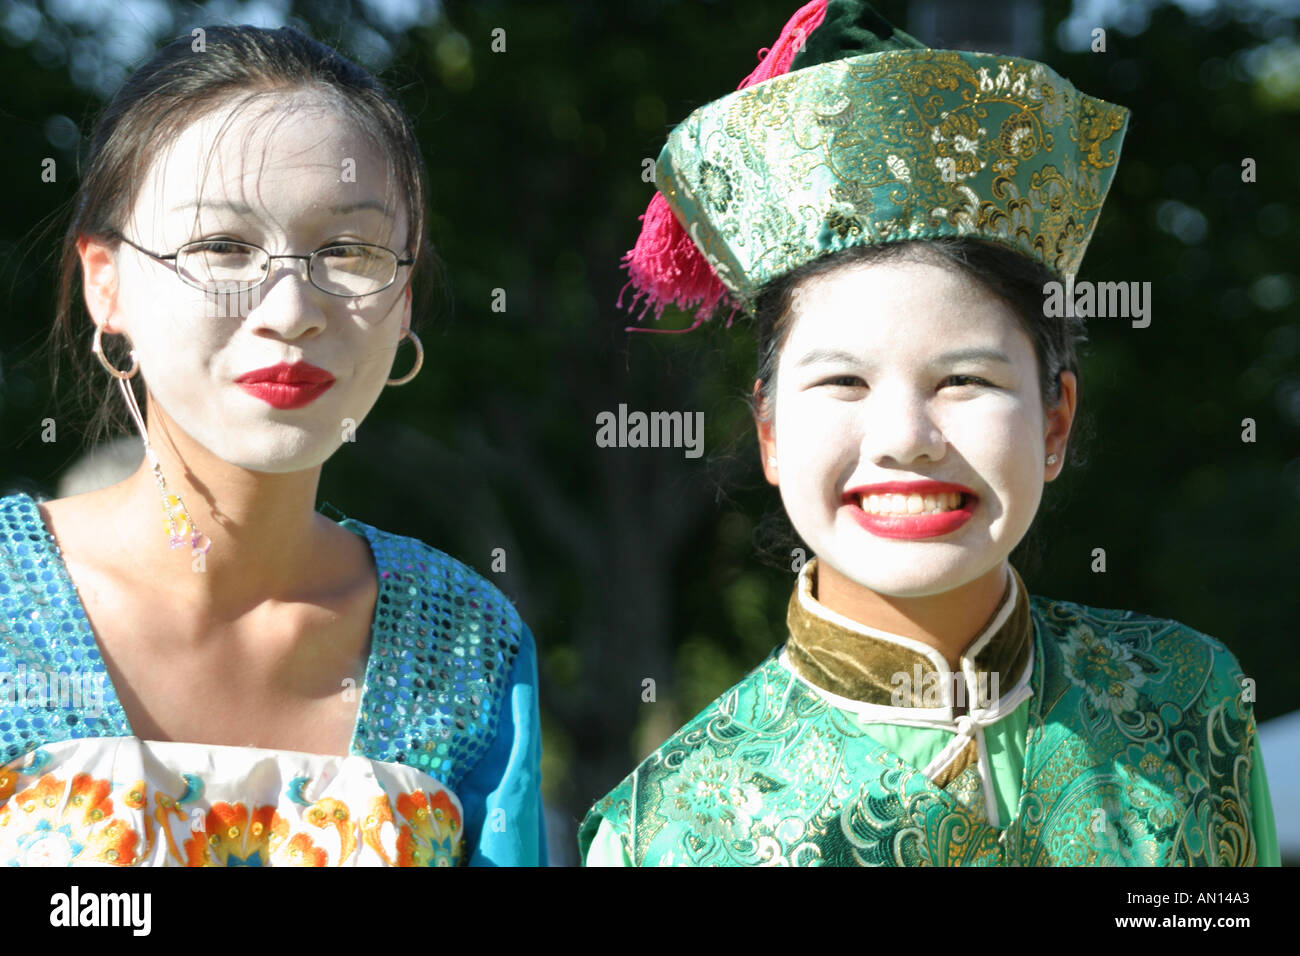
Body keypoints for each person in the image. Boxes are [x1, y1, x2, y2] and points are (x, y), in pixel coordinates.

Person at [579, 0, 1279, 866]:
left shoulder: (1189, 706)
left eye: (965, 381)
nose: (906, 438)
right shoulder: (667, 832)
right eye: (842, 381)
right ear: (768, 432)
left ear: (1055, 420)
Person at [0, 25, 545, 866]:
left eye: (349, 251)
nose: (292, 310)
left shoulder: (467, 645)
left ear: (404, 303)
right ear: (104, 282)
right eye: (221, 247)